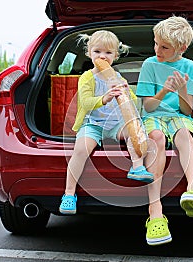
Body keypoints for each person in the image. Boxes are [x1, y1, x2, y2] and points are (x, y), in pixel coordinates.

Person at [59, 30, 153, 215]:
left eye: (108, 53)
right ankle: (69, 194)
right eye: (97, 52)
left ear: (116, 56)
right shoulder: (87, 77)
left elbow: (133, 104)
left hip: (116, 123)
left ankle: (137, 166)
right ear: (89, 53)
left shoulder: (118, 78)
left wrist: (127, 91)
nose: (103, 56)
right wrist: (105, 97)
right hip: (93, 124)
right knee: (80, 150)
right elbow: (85, 103)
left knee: (136, 130)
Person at [136, 16, 193, 246]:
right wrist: (162, 91)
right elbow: (147, 106)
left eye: (164, 47)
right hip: (153, 117)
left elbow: (187, 111)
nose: (157, 49)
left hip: (178, 117)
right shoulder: (149, 64)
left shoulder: (190, 67)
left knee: (184, 134)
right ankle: (155, 212)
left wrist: (181, 89)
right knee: (155, 138)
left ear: (182, 48)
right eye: (156, 43)